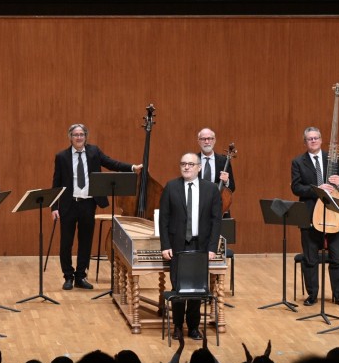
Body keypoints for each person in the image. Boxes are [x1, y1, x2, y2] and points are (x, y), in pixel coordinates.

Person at [50, 123, 140, 290]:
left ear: (86, 137)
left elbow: (111, 163)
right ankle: (68, 276)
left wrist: (132, 167)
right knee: (66, 243)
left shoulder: (94, 152)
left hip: (88, 204)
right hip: (69, 205)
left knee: (85, 242)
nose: (79, 137)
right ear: (70, 137)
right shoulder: (61, 156)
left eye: (82, 134)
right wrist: (54, 207)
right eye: (75, 135)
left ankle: (80, 276)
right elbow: (56, 183)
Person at [159, 153, 222, 341]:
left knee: (197, 288)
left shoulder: (211, 189)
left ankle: (193, 327)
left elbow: (216, 221)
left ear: (199, 167)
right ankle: (178, 326)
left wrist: (212, 247)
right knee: (178, 286)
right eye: (183, 164)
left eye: (190, 164)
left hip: (200, 245)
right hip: (177, 245)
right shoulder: (171, 187)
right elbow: (164, 219)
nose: (186, 167)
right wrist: (165, 245)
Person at [290, 126, 339, 306]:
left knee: (338, 257)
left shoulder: (332, 158)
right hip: (309, 215)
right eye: (310, 139)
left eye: (316, 138)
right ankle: (312, 295)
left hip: (333, 214)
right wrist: (317, 190)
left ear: (321, 140)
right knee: (310, 258)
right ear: (305, 142)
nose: (313, 141)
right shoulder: (298, 162)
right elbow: (296, 188)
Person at [196, 128, 235, 214]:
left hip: (219, 208)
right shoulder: (192, 160)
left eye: (210, 138)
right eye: (203, 139)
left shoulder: (224, 160)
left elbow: (232, 187)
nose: (207, 142)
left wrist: (227, 181)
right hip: (197, 208)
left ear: (214, 140)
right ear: (198, 141)